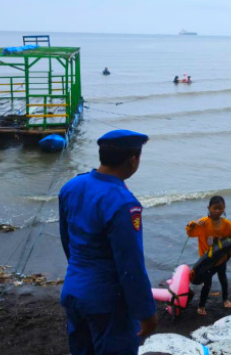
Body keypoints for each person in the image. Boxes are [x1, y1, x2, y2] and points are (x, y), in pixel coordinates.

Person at [58, 130, 157, 355]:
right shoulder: (123, 203)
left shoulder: (72, 186)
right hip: (107, 301)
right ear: (133, 160)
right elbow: (130, 265)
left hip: (74, 290)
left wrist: (79, 275)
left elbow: (67, 240)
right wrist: (146, 312)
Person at [185, 196, 231, 315]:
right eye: (214, 208)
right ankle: (201, 306)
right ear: (209, 208)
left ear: (224, 209)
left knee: (223, 279)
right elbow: (190, 233)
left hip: (221, 259)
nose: (217, 211)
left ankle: (225, 299)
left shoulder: (226, 224)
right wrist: (193, 224)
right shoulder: (203, 223)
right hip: (207, 262)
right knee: (207, 283)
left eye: (220, 208)